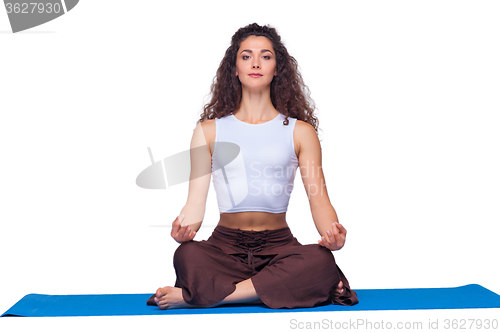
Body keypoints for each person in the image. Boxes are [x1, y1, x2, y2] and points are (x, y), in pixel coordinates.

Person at [147, 23, 358, 309]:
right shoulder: (209, 131)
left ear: (277, 68)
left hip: (279, 248)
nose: (256, 63)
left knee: (320, 260)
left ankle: (207, 296)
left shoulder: (300, 131)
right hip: (224, 247)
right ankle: (264, 290)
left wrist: (332, 235)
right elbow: (195, 203)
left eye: (265, 56)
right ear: (234, 68)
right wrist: (183, 229)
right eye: (246, 56)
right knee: (187, 255)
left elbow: (318, 199)